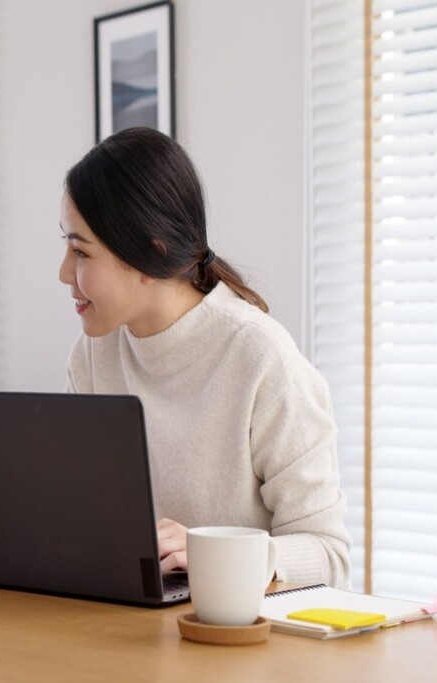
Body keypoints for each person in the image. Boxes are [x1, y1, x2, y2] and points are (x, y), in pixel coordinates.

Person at [58, 127, 351, 589]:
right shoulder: (94, 355)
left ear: (147, 252)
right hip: (130, 636)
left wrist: (214, 553)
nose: (63, 273)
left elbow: (328, 553)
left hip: (242, 645)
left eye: (79, 251)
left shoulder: (260, 357)